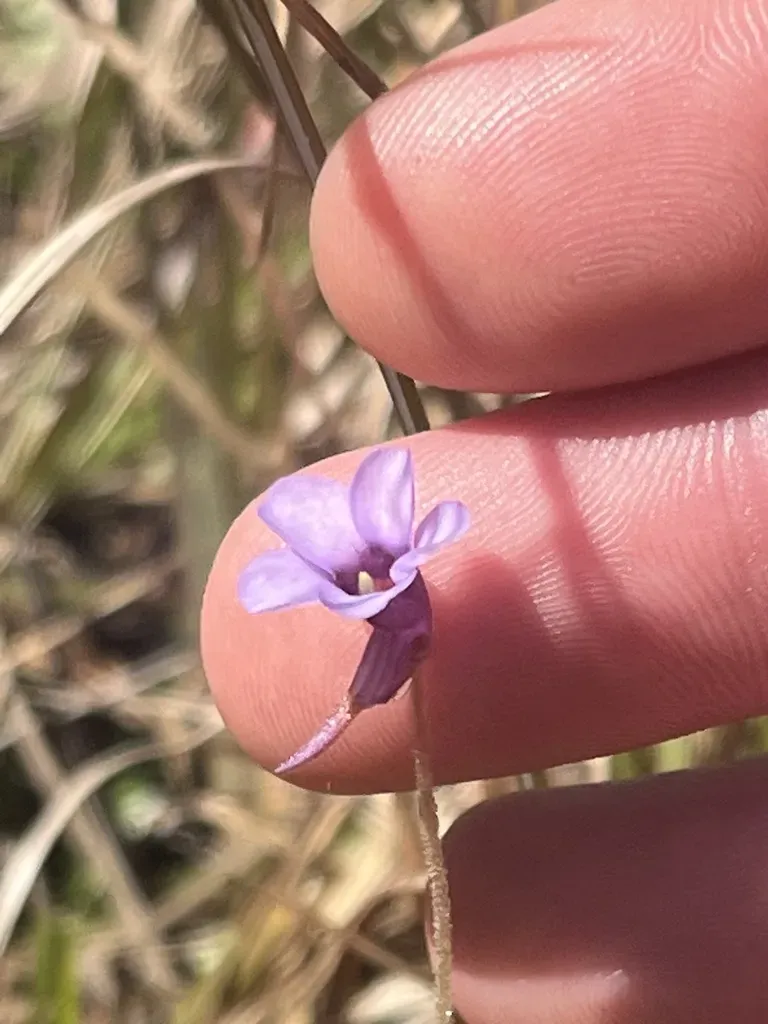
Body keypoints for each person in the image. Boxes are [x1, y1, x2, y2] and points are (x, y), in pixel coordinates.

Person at [201, 0, 768, 1018]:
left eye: (381, 580)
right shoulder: (358, 566)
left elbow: (405, 564)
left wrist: (382, 632)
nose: (377, 582)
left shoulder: (402, 562)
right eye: (372, 584)